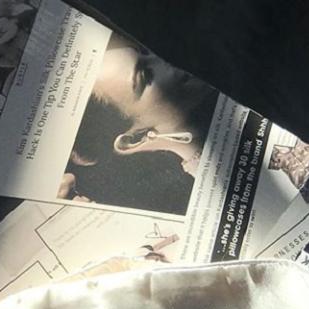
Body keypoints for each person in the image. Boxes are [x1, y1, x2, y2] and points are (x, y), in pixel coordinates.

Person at [58, 34, 219, 213]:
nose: (165, 61)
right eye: (145, 76)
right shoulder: (211, 196)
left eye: (145, 52)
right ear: (134, 139)